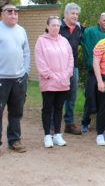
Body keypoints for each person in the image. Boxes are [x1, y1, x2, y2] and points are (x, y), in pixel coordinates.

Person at [35, 16, 73, 148]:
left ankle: (57, 134)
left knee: (58, 108)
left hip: (63, 82)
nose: (56, 28)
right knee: (47, 108)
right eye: (53, 25)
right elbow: (40, 62)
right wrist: (52, 76)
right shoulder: (41, 41)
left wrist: (67, 73)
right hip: (49, 82)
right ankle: (47, 135)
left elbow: (70, 59)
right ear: (47, 27)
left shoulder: (64, 41)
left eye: (57, 26)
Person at [0, 4, 30, 153]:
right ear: (2, 14)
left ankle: (14, 140)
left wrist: (25, 72)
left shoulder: (21, 31)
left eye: (16, 12)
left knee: (16, 112)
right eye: (9, 12)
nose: (13, 15)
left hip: (19, 79)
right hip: (1, 78)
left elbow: (26, 52)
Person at [80, 12, 105, 132]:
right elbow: (79, 35)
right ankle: (85, 122)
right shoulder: (91, 32)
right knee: (90, 97)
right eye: (104, 20)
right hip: (93, 71)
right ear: (99, 20)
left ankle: (103, 123)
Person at [59, 2, 85, 135]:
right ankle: (53, 124)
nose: (75, 16)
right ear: (66, 14)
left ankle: (69, 124)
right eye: (73, 13)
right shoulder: (58, 26)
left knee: (71, 97)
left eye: (77, 14)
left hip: (73, 67)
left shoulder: (78, 28)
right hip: (58, 67)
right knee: (56, 96)